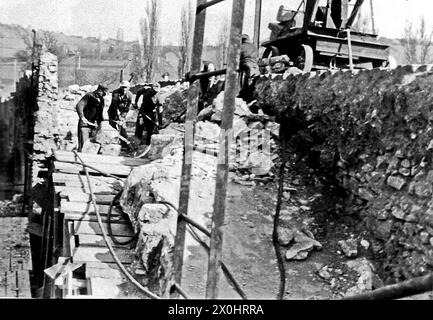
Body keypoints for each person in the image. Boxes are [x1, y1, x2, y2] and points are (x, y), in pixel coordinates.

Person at [76, 84, 108, 152]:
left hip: (94, 125)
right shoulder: (89, 96)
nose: (104, 95)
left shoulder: (101, 100)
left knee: (92, 146)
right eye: (103, 93)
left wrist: (100, 122)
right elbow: (79, 105)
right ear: (99, 91)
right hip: (85, 124)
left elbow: (100, 112)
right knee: (83, 145)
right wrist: (82, 117)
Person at [108, 80, 134, 148]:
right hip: (113, 112)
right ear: (120, 87)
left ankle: (125, 144)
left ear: (128, 88)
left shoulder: (130, 95)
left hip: (122, 113)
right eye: (123, 87)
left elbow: (128, 107)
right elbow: (114, 105)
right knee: (113, 129)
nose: (124, 89)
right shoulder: (115, 93)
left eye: (126, 87)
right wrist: (117, 116)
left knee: (123, 128)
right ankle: (113, 143)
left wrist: (122, 117)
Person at [239, 34, 260, 100]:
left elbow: (237, 58)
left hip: (246, 66)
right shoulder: (253, 46)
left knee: (245, 83)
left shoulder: (241, 46)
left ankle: (244, 97)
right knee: (254, 82)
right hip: (255, 66)